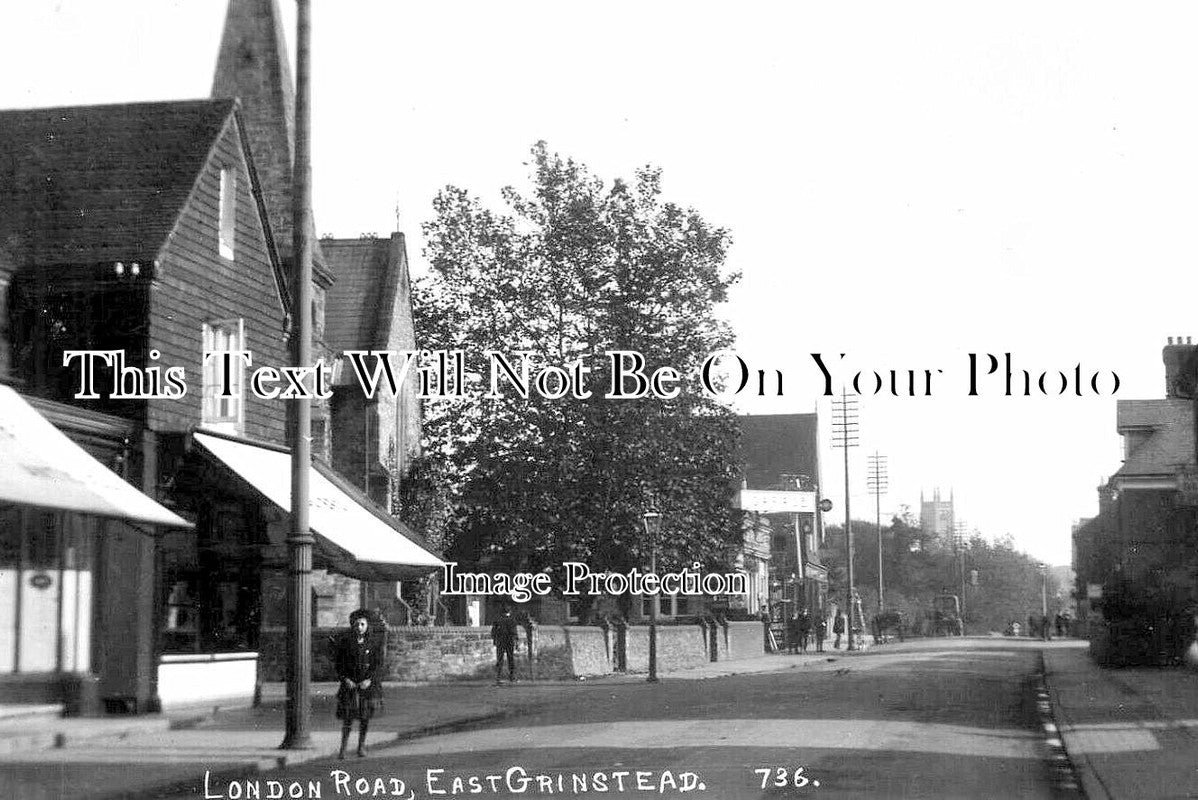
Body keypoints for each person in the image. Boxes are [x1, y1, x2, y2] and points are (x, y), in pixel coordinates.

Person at [334, 608, 382, 759]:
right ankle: (343, 749)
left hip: (366, 687)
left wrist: (369, 680)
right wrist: (345, 679)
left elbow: (378, 665)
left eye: (362, 624)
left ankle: (361, 747)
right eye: (357, 624)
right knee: (348, 719)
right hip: (350, 686)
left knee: (364, 718)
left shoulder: (373, 644)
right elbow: (339, 665)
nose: (359, 627)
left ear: (367, 626)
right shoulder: (346, 643)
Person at [491, 606, 519, 684]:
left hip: (500, 641)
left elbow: (493, 631)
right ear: (509, 611)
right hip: (509, 641)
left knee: (499, 659)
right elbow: (514, 632)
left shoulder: (498, 620)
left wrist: (495, 640)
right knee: (510, 659)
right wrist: (516, 641)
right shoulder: (512, 620)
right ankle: (512, 676)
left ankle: (498, 677)